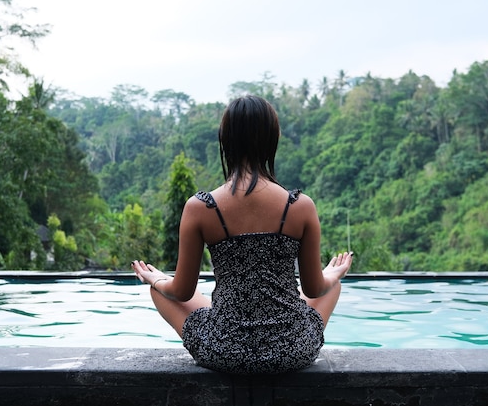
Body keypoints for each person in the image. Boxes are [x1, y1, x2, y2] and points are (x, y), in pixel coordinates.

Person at [132, 95, 352, 374]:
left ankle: (233, 315)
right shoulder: (300, 207)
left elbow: (181, 292)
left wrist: (157, 278)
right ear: (273, 139)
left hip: (223, 350)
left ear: (226, 141)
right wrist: (334, 274)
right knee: (332, 286)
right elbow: (313, 289)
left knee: (160, 292)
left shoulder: (200, 208)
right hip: (292, 350)